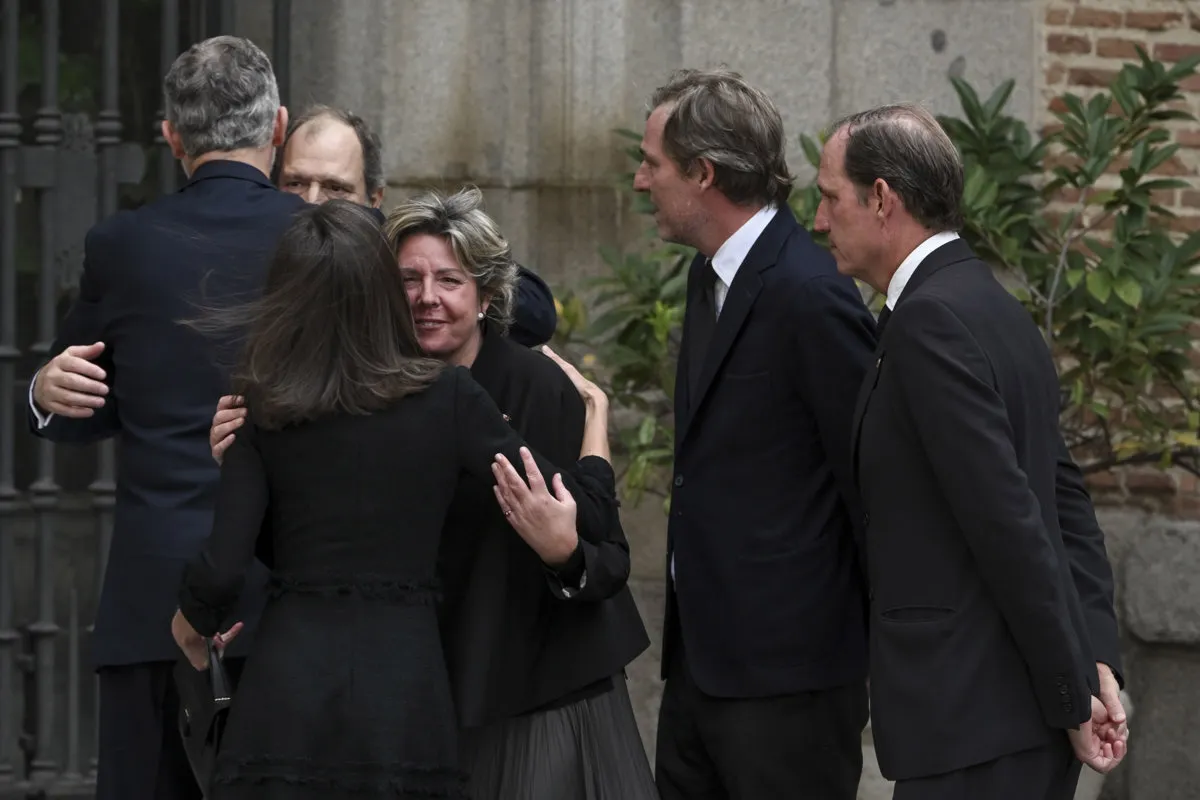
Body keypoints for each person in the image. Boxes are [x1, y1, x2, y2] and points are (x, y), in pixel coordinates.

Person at [209, 187, 656, 799]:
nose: (425, 299)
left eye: (448, 280)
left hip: (532, 688)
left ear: (486, 296)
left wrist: (570, 530)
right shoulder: (357, 388)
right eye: (407, 280)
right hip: (411, 689)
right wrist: (246, 464)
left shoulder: (532, 385)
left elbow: (602, 545)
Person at [813, 103, 1127, 799]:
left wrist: (1073, 692)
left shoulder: (930, 320)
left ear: (883, 199)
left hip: (972, 724)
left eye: (830, 197)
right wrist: (1096, 660)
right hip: (998, 722)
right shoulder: (989, 305)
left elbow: (1011, 521)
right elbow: (1066, 504)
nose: (818, 220)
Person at [25, 36, 302, 800]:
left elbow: (76, 413)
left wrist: (41, 391)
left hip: (156, 598)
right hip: (291, 597)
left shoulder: (122, 245)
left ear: (172, 137)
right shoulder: (325, 241)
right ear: (277, 127)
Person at [633, 68, 877, 799]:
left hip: (789, 687)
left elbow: (870, 481)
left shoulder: (811, 293)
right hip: (700, 670)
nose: (641, 182)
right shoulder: (705, 277)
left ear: (703, 173)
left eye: (653, 164)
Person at [273, 103, 558, 346]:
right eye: (295, 183)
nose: (311, 201)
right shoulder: (260, 247)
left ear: (374, 199)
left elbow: (536, 315)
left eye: (336, 188)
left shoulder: (396, 251)